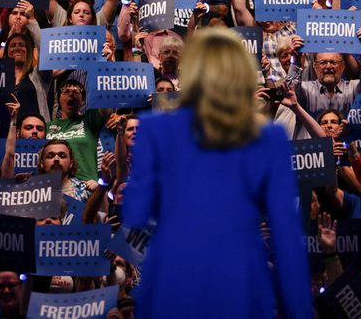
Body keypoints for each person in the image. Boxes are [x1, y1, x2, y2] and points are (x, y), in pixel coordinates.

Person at [124, 28, 311, 316]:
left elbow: (135, 214)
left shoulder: (154, 129)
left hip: (170, 288)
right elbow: (287, 239)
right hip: (242, 287)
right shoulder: (269, 138)